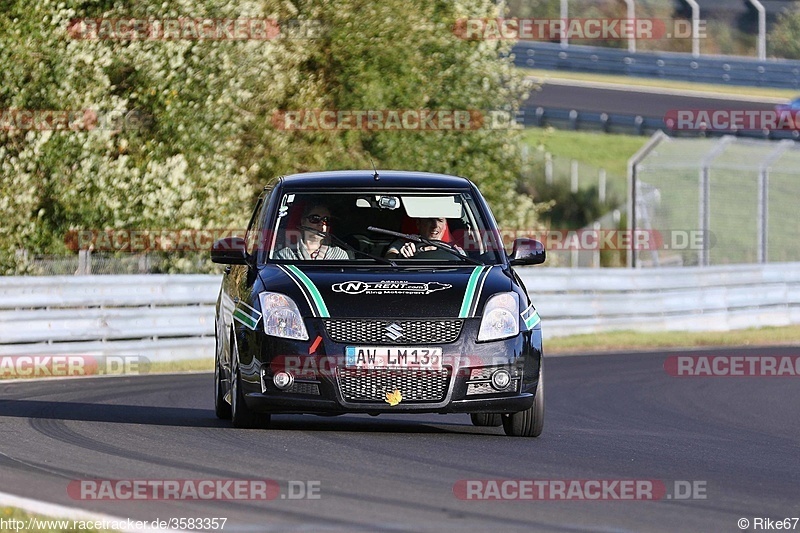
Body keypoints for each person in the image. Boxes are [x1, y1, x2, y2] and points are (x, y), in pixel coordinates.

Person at [275, 203, 350, 260]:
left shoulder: (339, 256)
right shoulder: (283, 256)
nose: (321, 224)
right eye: (315, 219)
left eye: (326, 220)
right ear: (303, 221)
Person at [385, 217, 462, 258]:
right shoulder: (404, 243)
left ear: (445, 225)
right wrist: (401, 255)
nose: (435, 225)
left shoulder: (454, 249)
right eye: (430, 220)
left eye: (440, 220)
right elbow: (389, 259)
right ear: (418, 224)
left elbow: (468, 265)